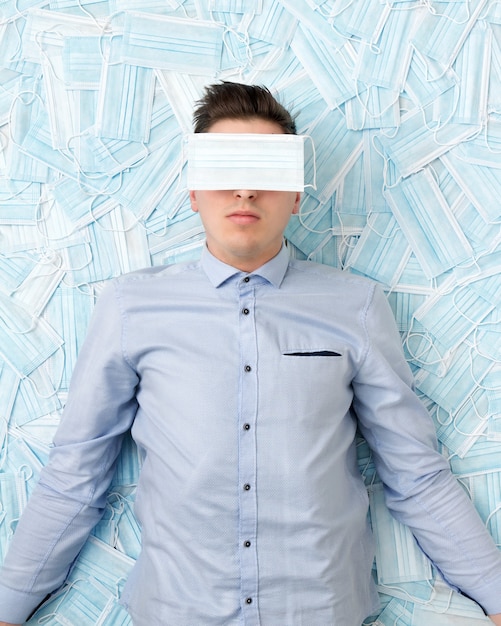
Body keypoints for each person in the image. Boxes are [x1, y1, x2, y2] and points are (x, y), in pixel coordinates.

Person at [0, 81, 500, 626]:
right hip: (177, 612)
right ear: (194, 190)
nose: (244, 191)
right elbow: (75, 474)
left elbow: (417, 475)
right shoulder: (129, 306)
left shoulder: (356, 306)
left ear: (296, 194)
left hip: (321, 612)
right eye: (224, 170)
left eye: (266, 171)